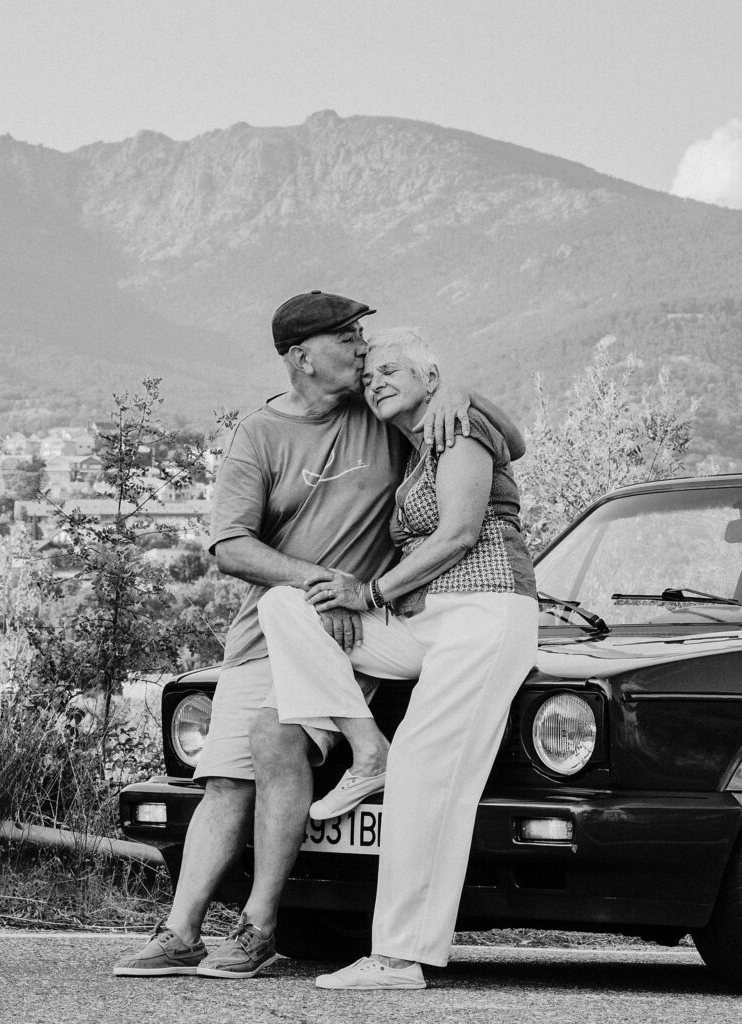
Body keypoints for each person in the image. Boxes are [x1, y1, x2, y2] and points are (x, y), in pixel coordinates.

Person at [113, 294, 524, 980]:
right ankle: (180, 931)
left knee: (276, 739)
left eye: (367, 340)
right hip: (284, 626)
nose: (363, 351)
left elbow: (487, 442)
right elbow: (228, 543)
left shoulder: (380, 413)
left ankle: (258, 926)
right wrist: (319, 581)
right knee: (223, 776)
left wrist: (453, 383)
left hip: (369, 622)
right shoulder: (259, 434)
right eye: (348, 339)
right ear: (303, 357)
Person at [255, 327, 538, 990]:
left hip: (485, 614)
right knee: (289, 606)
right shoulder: (413, 445)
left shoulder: (459, 429)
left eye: (391, 370)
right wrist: (354, 605)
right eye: (370, 373)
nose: (376, 380)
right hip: (427, 623)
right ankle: (364, 746)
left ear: (429, 378)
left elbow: (458, 534)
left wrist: (370, 593)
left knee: (427, 772)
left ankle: (398, 957)